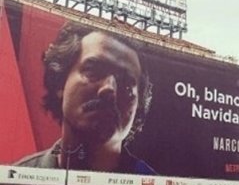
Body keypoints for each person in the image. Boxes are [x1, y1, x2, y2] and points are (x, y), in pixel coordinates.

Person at [15, 23, 155, 175]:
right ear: (60, 81)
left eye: (126, 85)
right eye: (93, 71)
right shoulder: (14, 179)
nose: (109, 89)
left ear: (138, 108)